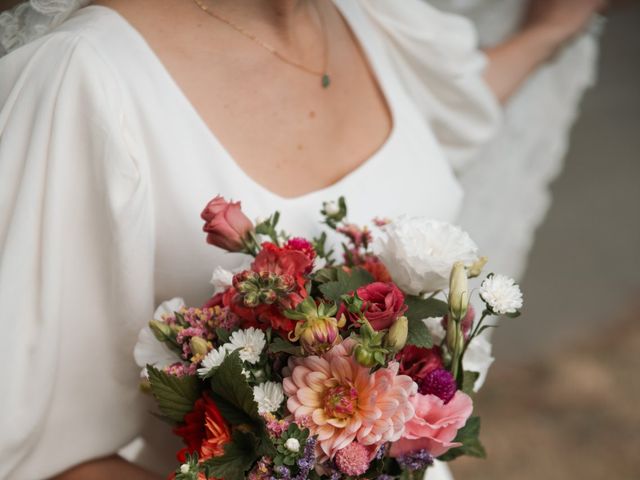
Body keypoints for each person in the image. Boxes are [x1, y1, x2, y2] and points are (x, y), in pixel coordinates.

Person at [0, 0, 603, 479]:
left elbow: (448, 123)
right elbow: (37, 455)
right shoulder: (86, 79)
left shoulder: (372, 18)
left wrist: (547, 32)